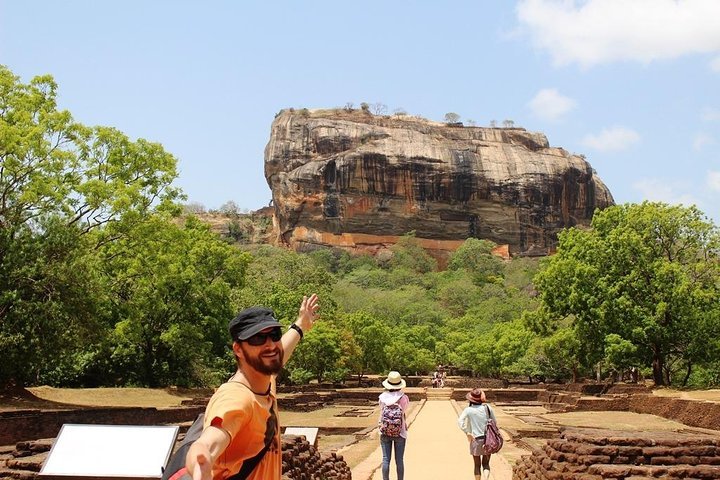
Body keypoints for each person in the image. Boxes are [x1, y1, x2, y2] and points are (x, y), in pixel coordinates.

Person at [184, 294, 320, 480]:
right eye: (257, 339)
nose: (270, 345)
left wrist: (300, 325)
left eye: (274, 335)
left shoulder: (263, 381)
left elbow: (280, 352)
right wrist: (201, 463)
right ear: (238, 349)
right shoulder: (238, 398)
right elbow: (208, 442)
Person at [457, 388, 497, 480]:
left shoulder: (468, 410)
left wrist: (467, 432)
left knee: (477, 465)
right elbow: (494, 422)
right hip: (488, 440)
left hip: (476, 439)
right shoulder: (487, 408)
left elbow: (460, 421)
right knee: (486, 464)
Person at [378, 371, 410, 480]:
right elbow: (404, 411)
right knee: (399, 460)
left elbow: (381, 411)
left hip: (385, 430)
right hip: (400, 431)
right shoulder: (403, 398)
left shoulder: (382, 397)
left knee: (386, 459)